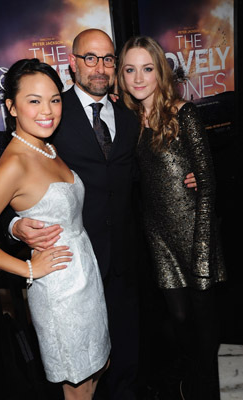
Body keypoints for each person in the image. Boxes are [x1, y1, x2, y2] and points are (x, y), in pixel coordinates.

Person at [5, 29, 197, 400]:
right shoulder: (49, 113)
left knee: (125, 356)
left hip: (125, 257)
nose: (100, 67)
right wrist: (15, 226)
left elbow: (146, 172)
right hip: (72, 267)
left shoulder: (129, 116)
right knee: (81, 369)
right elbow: (9, 187)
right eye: (90, 58)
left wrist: (185, 176)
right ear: (72, 62)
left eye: (108, 59)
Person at [0, 58, 111, 400]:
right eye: (34, 100)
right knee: (78, 389)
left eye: (55, 99)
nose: (48, 110)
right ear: (11, 106)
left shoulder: (47, 147)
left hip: (84, 277)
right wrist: (27, 267)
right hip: (59, 292)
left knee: (98, 368)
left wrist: (15, 224)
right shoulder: (14, 163)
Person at [117, 35, 227, 400]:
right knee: (178, 319)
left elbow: (208, 186)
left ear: (160, 71)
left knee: (205, 321)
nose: (138, 78)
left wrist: (202, 250)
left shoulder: (184, 114)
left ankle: (206, 388)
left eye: (147, 69)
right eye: (130, 69)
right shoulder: (130, 121)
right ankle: (190, 377)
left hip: (197, 232)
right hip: (158, 236)